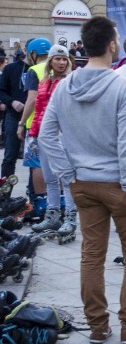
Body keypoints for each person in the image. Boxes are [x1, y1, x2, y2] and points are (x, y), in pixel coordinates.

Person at [39, 16, 126, 344]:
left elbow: (46, 137)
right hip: (122, 182)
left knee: (92, 255)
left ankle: (97, 326)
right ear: (112, 45)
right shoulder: (120, 85)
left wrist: (68, 173)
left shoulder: (63, 87)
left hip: (84, 183)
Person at [28, 45, 78, 241]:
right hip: (44, 135)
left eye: (64, 59)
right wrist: (33, 133)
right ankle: (53, 214)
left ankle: (71, 218)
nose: (61, 62)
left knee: (66, 178)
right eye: (57, 59)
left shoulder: (70, 82)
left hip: (63, 135)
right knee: (50, 178)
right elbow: (39, 109)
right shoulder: (45, 82)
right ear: (50, 61)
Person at [18, 39, 52, 222]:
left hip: (37, 123)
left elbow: (31, 100)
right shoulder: (62, 66)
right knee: (57, 164)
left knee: (37, 164)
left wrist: (21, 123)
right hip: (58, 124)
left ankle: (41, 204)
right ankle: (60, 204)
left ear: (33, 53)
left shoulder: (35, 70)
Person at [0, 39, 39, 178]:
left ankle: (34, 196)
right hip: (14, 116)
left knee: (35, 160)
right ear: (27, 51)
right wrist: (12, 102)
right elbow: (2, 91)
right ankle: (5, 195)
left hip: (36, 118)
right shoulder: (11, 69)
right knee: (10, 156)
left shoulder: (43, 71)